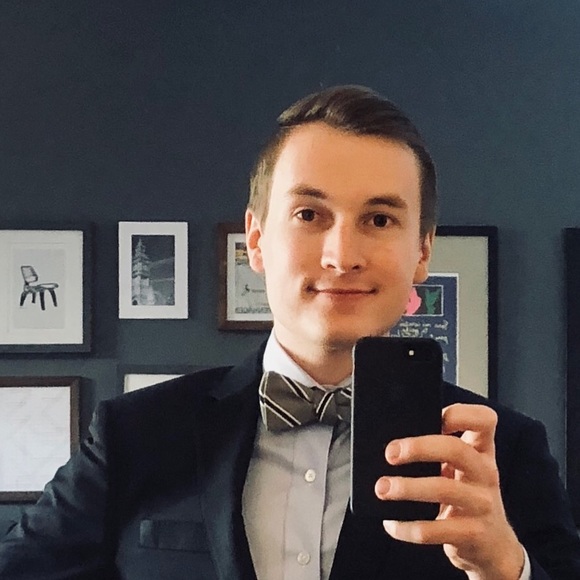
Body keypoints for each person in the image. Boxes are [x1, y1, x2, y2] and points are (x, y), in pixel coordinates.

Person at [1, 86, 579, 580]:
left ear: (422, 251)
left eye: (379, 219)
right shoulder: (133, 435)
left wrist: (507, 569)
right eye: (309, 215)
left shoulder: (504, 452)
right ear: (256, 240)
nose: (342, 255)